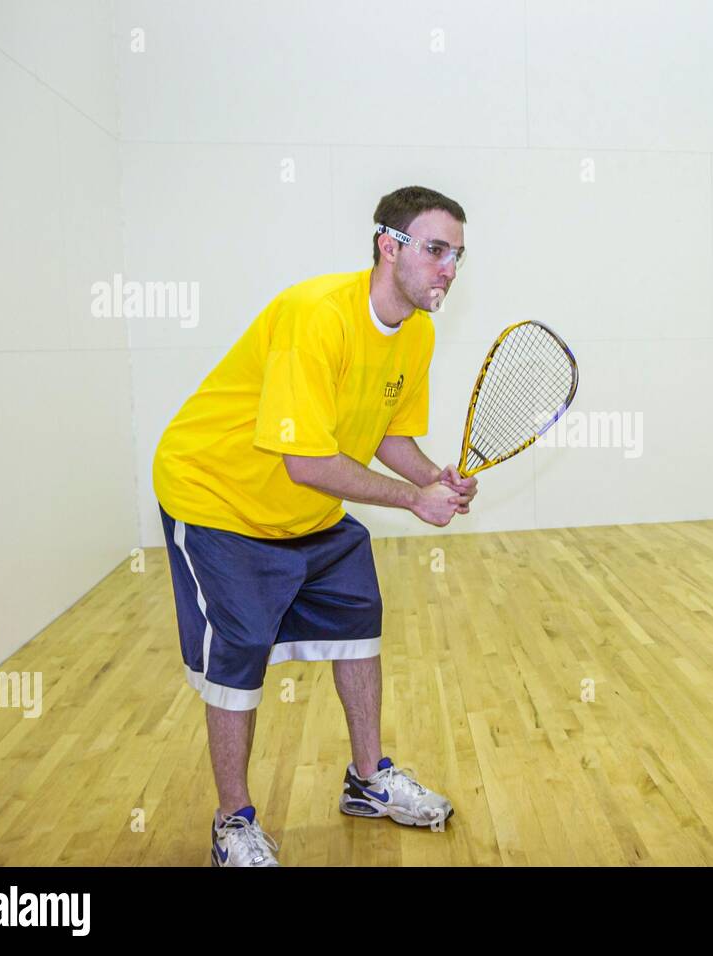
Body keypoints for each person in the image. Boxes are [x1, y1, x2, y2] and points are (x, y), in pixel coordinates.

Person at [153, 186, 479, 866]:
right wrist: (411, 501)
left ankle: (368, 780)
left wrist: (430, 480)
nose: (449, 267)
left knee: (359, 622)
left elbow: (390, 434)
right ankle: (233, 821)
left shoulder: (417, 329)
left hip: (306, 510)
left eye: (458, 255)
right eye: (436, 249)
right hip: (218, 499)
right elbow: (306, 461)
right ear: (389, 246)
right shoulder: (316, 315)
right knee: (239, 654)